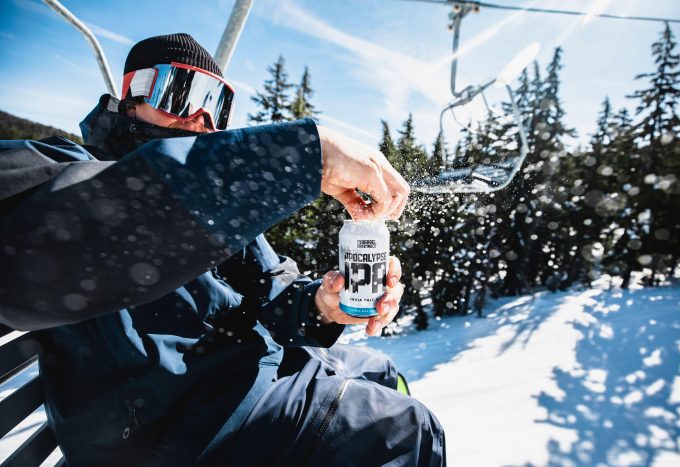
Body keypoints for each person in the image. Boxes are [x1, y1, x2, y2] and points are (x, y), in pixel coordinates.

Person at [0, 34, 445, 466]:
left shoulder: (212, 198)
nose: (200, 119)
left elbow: (271, 293)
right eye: (180, 92)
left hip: (241, 383)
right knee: (406, 430)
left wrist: (322, 305)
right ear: (131, 93)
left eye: (217, 105)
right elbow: (41, 252)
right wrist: (301, 157)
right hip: (173, 431)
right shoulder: (65, 171)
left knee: (383, 371)